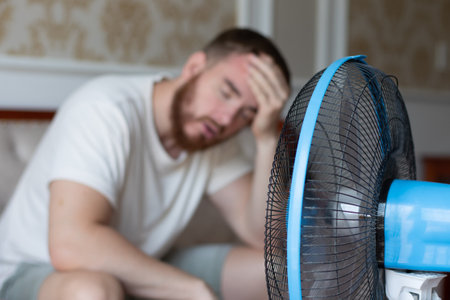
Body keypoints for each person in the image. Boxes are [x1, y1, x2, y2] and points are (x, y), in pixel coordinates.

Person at [0, 28, 290, 300]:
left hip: (144, 259)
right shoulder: (106, 110)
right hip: (37, 269)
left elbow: (264, 238)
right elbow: (71, 244)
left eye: (246, 114)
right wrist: (191, 289)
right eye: (226, 93)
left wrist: (265, 137)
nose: (227, 119)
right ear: (194, 68)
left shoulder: (211, 134)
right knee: (92, 290)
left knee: (278, 271)